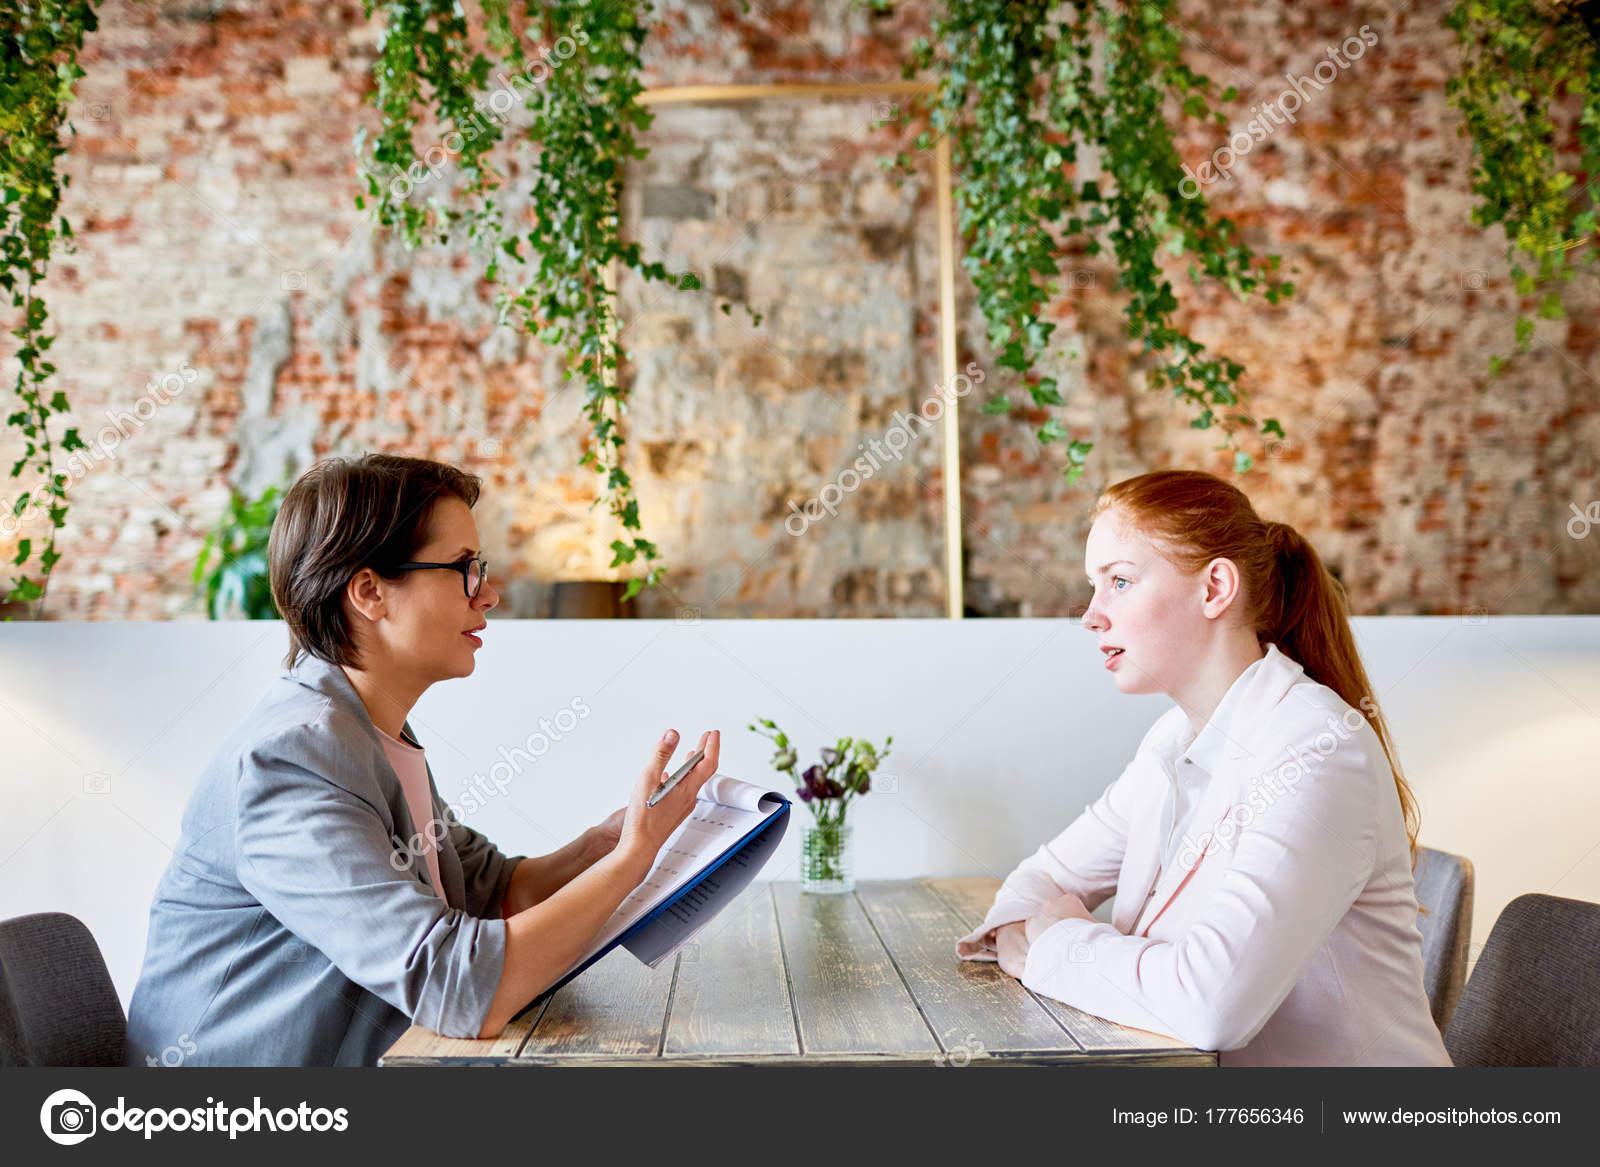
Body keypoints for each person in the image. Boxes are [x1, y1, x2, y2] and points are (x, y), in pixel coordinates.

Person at [125, 453, 720, 1066]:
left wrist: (602, 844)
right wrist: (631, 863)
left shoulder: (371, 732)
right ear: (370, 592)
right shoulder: (292, 760)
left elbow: (493, 892)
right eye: (464, 568)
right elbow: (458, 989)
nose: (487, 594)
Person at [956, 468, 1452, 1066]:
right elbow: (1031, 888)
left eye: (1119, 581)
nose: (1091, 615)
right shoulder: (1173, 741)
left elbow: (1210, 1005)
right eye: (1093, 585)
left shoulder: (1319, 751)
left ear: (1215, 587)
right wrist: (1047, 939)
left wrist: (1057, 943)